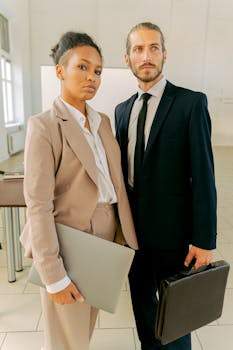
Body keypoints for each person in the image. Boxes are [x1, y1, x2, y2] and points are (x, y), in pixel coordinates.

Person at [20, 31, 138, 350]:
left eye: (98, 71)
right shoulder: (45, 126)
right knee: (65, 341)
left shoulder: (102, 122)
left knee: (82, 333)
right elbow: (38, 205)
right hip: (69, 240)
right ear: (60, 71)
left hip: (105, 238)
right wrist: (53, 274)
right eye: (82, 67)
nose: (92, 77)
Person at [115, 22, 217, 350]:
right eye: (138, 49)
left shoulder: (190, 104)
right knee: (144, 313)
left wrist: (203, 239)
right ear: (127, 58)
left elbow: (204, 176)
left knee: (175, 322)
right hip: (133, 239)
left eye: (154, 48)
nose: (147, 56)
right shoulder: (121, 111)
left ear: (164, 54)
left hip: (175, 239)